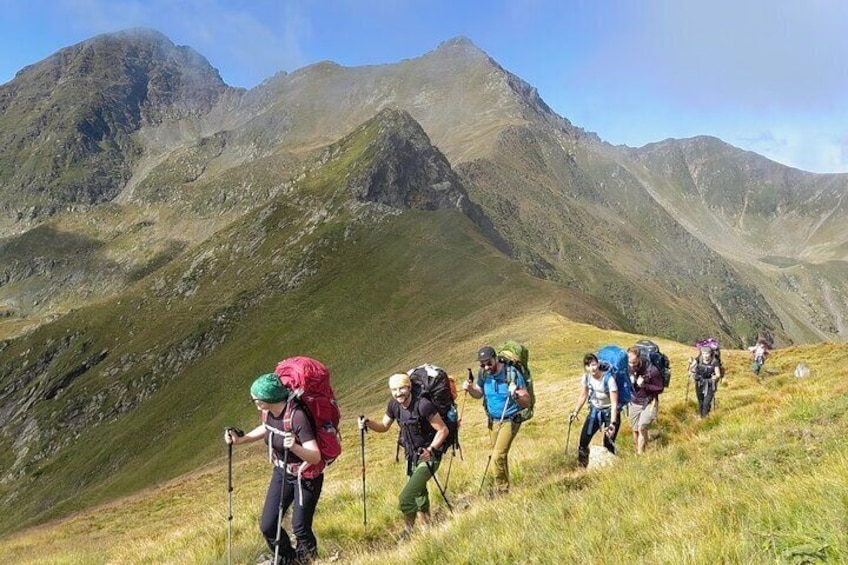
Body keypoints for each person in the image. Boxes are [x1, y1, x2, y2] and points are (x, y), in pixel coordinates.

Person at [224, 374, 323, 565]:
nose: (254, 402)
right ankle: (288, 560)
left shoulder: (297, 417)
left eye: (255, 398)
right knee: (268, 525)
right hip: (282, 471)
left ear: (265, 400)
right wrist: (242, 440)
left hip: (306, 476)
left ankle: (308, 560)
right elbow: (267, 427)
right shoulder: (268, 413)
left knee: (300, 528)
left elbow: (315, 456)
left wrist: (294, 447)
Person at [358, 373, 449, 540]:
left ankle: (408, 530)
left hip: (429, 456)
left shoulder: (423, 405)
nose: (398, 393)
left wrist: (430, 449)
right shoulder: (394, 405)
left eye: (401, 388)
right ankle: (426, 529)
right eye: (394, 390)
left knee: (406, 497)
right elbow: (384, 426)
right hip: (412, 456)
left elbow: (443, 430)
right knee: (420, 492)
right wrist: (368, 423)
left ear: (409, 387)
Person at [463, 346, 529, 493]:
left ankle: (502, 491)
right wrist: (470, 389)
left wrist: (516, 395)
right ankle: (506, 486)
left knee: (497, 457)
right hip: (492, 421)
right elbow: (479, 393)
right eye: (482, 364)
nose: (486, 367)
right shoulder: (483, 374)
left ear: (495, 359)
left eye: (489, 363)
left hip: (510, 419)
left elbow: (526, 401)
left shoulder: (512, 374)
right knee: (500, 456)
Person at [569, 353, 620, 467]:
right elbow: (583, 395)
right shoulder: (586, 378)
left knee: (608, 443)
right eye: (588, 366)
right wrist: (575, 412)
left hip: (610, 412)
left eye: (593, 364)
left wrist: (612, 424)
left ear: (598, 364)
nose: (591, 368)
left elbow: (614, 403)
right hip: (595, 412)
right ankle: (582, 468)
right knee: (583, 442)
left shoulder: (609, 379)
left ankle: (611, 469)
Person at [626, 346, 664, 454]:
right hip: (634, 401)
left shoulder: (652, 370)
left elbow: (660, 388)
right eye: (629, 362)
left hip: (649, 402)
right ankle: (640, 448)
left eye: (634, 362)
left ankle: (639, 454)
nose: (631, 365)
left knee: (642, 427)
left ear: (639, 358)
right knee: (635, 429)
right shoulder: (627, 367)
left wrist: (644, 385)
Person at [688, 346, 723, 418]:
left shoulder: (714, 361)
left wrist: (715, 377)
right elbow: (691, 368)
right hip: (699, 383)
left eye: (707, 353)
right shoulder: (699, 359)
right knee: (700, 401)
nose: (705, 355)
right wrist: (691, 364)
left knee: (706, 402)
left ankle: (704, 418)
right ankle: (702, 416)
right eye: (703, 353)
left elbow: (718, 374)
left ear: (710, 353)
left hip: (710, 384)